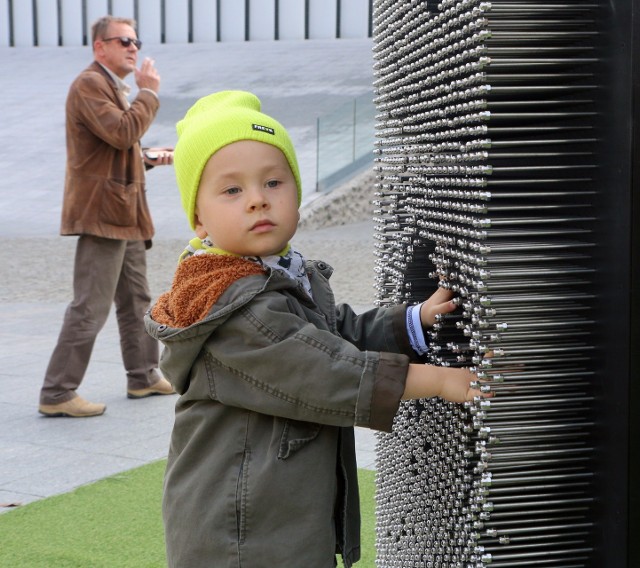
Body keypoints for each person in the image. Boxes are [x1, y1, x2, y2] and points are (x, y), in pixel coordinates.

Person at [145, 90, 486, 567]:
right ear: (199, 218)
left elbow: (332, 330)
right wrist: (440, 379)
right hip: (240, 534)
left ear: (298, 195)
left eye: (273, 182)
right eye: (232, 190)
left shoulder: (275, 273)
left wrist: (413, 320)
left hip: (277, 513)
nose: (257, 200)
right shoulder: (232, 309)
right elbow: (323, 368)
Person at [37, 16, 176, 418]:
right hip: (103, 215)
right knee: (90, 306)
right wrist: (148, 93)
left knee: (137, 301)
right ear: (100, 47)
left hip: (125, 215)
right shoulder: (89, 84)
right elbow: (121, 132)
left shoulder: (111, 86)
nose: (134, 47)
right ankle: (57, 391)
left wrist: (147, 158)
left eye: (136, 40)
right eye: (124, 40)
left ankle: (144, 376)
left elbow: (118, 147)